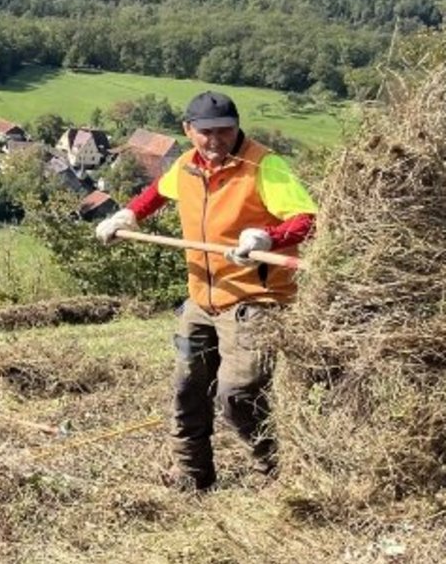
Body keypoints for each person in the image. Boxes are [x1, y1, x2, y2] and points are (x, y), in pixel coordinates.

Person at [95, 90, 316, 492]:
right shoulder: (187, 166)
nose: (216, 141)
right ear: (188, 130)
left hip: (255, 299)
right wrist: (129, 214)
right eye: (206, 133)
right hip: (201, 298)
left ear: (236, 128)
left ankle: (272, 477)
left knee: (238, 394)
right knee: (187, 389)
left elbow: (307, 219)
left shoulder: (264, 166)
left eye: (225, 132)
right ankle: (191, 475)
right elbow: (159, 191)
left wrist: (268, 238)